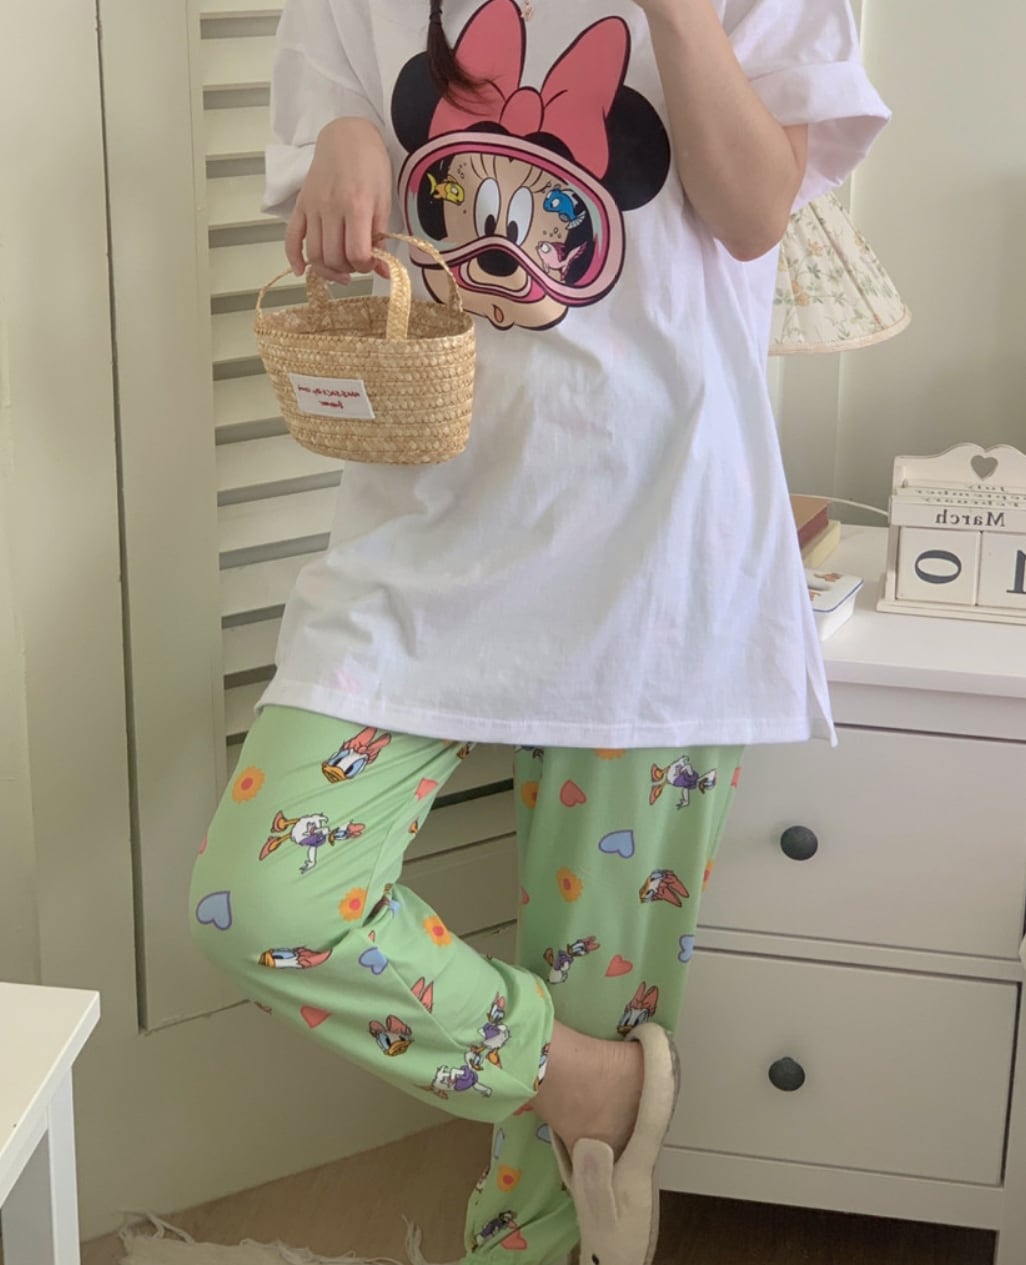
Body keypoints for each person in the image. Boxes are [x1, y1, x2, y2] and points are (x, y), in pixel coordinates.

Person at [189, 2, 889, 1263]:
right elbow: (346, 158)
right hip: (422, 541)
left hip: (654, 557)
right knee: (264, 893)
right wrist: (346, 138)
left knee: (589, 1020)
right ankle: (591, 1082)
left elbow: (752, 214)